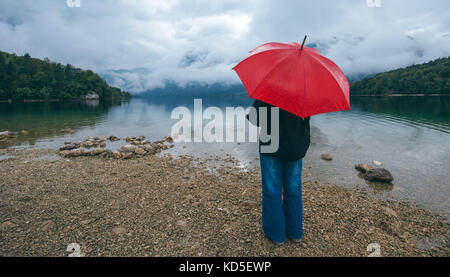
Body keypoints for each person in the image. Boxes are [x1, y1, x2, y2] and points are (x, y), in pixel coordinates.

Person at [247, 99, 310, 245]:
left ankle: (276, 235)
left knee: (272, 192)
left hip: (271, 148)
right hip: (295, 147)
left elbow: (254, 119)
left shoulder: (268, 91)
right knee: (293, 191)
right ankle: (295, 233)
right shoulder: (304, 93)